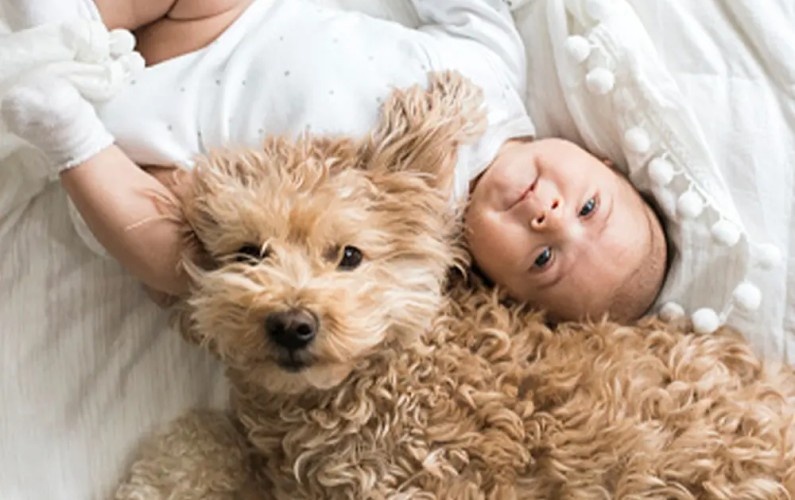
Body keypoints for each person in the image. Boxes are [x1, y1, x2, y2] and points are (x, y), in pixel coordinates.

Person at [1, 0, 667, 323]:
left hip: (158, 151)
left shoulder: (417, 251)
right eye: (588, 207)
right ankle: (61, 26)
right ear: (603, 160)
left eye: (543, 259)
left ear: (501, 290)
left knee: (186, 265)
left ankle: (64, 127)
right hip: (227, 22)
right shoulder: (494, 67)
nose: (551, 217)